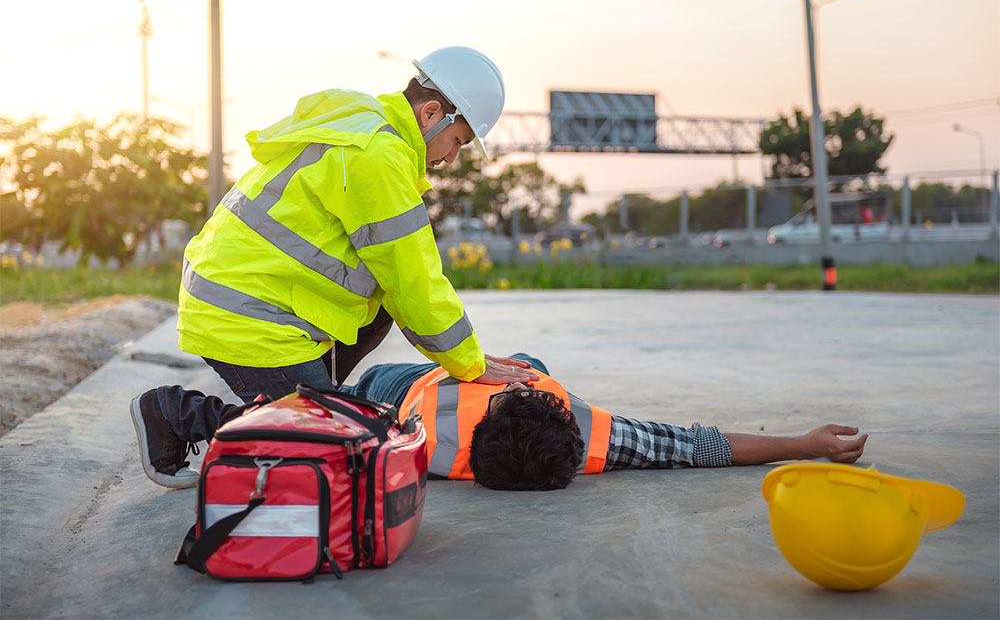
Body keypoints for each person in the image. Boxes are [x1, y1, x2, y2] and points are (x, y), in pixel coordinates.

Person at [143, 47, 539, 484]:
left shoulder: (360, 123)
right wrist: (472, 364)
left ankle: (314, 404)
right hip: (245, 317)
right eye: (459, 142)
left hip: (243, 300)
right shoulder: (377, 155)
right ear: (431, 114)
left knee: (378, 314)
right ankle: (175, 414)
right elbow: (416, 281)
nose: (451, 158)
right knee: (339, 451)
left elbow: (399, 287)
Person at [131, 354, 868, 491]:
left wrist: (805, 444)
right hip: (414, 377)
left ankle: (179, 410)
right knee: (324, 419)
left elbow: (696, 444)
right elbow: (694, 446)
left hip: (401, 388)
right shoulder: (594, 438)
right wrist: (799, 445)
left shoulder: (412, 442)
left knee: (328, 414)